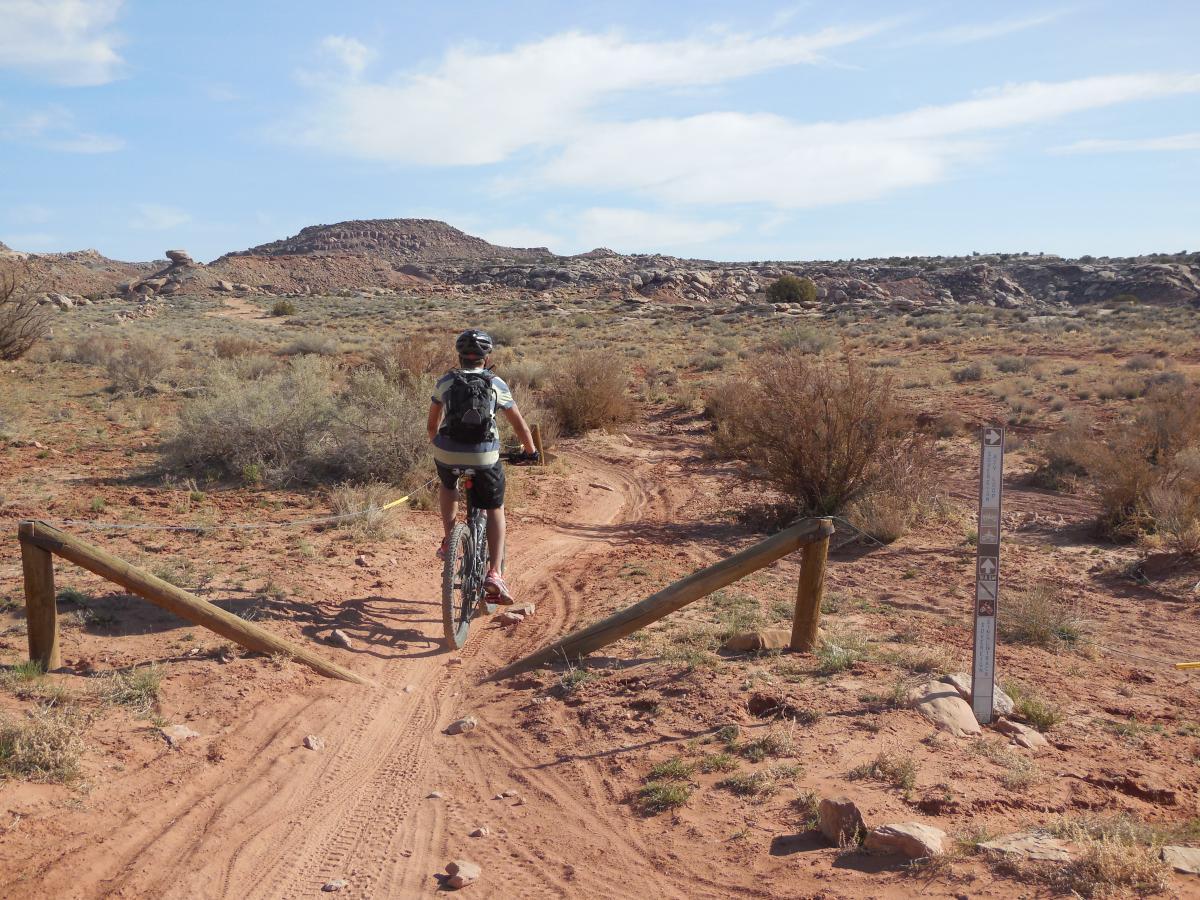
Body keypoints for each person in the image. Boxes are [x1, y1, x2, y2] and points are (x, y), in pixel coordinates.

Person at [427, 328, 537, 604]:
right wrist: (531, 451)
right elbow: (519, 424)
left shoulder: (445, 382)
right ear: (487, 357)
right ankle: (495, 574)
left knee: (448, 483)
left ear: (460, 356)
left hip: (447, 452)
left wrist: (441, 448)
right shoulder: (496, 383)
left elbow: (432, 425)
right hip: (484, 456)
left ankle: (449, 539)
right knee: (495, 507)